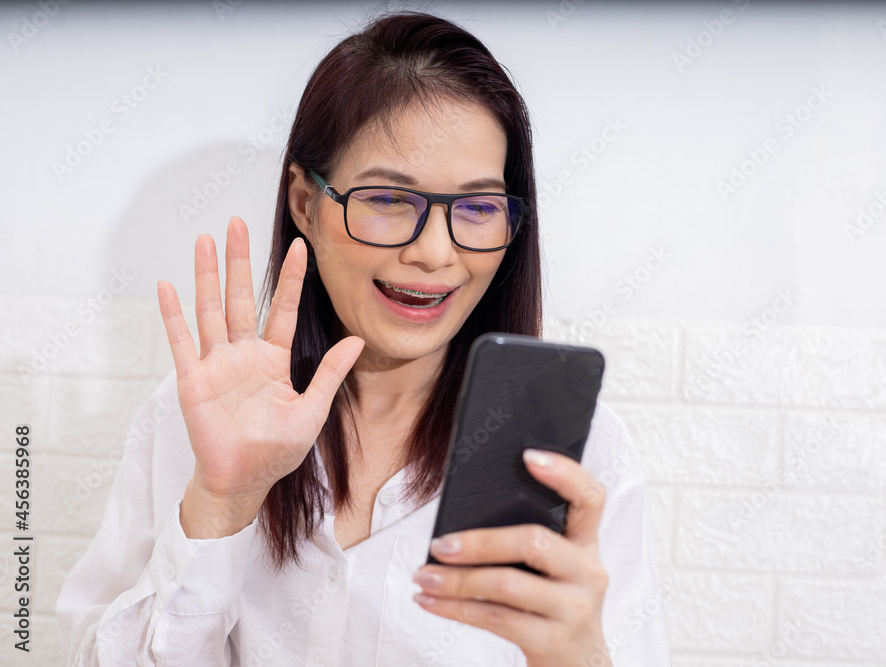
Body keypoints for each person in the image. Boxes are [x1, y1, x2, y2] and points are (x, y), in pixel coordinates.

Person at [57, 11, 670, 666]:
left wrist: (577, 654)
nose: (437, 253)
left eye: (479, 206)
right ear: (304, 203)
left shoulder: (575, 454)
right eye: (388, 199)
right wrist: (222, 503)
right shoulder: (197, 422)